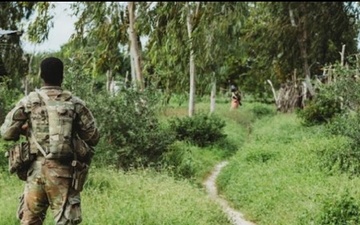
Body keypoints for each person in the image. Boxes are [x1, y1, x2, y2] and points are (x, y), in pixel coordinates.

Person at [0, 57, 100, 225]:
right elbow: (93, 137)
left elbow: (6, 133)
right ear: (62, 77)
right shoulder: (74, 103)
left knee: (30, 221)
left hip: (36, 172)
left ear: (41, 76)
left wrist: (26, 128)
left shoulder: (29, 101)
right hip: (64, 174)